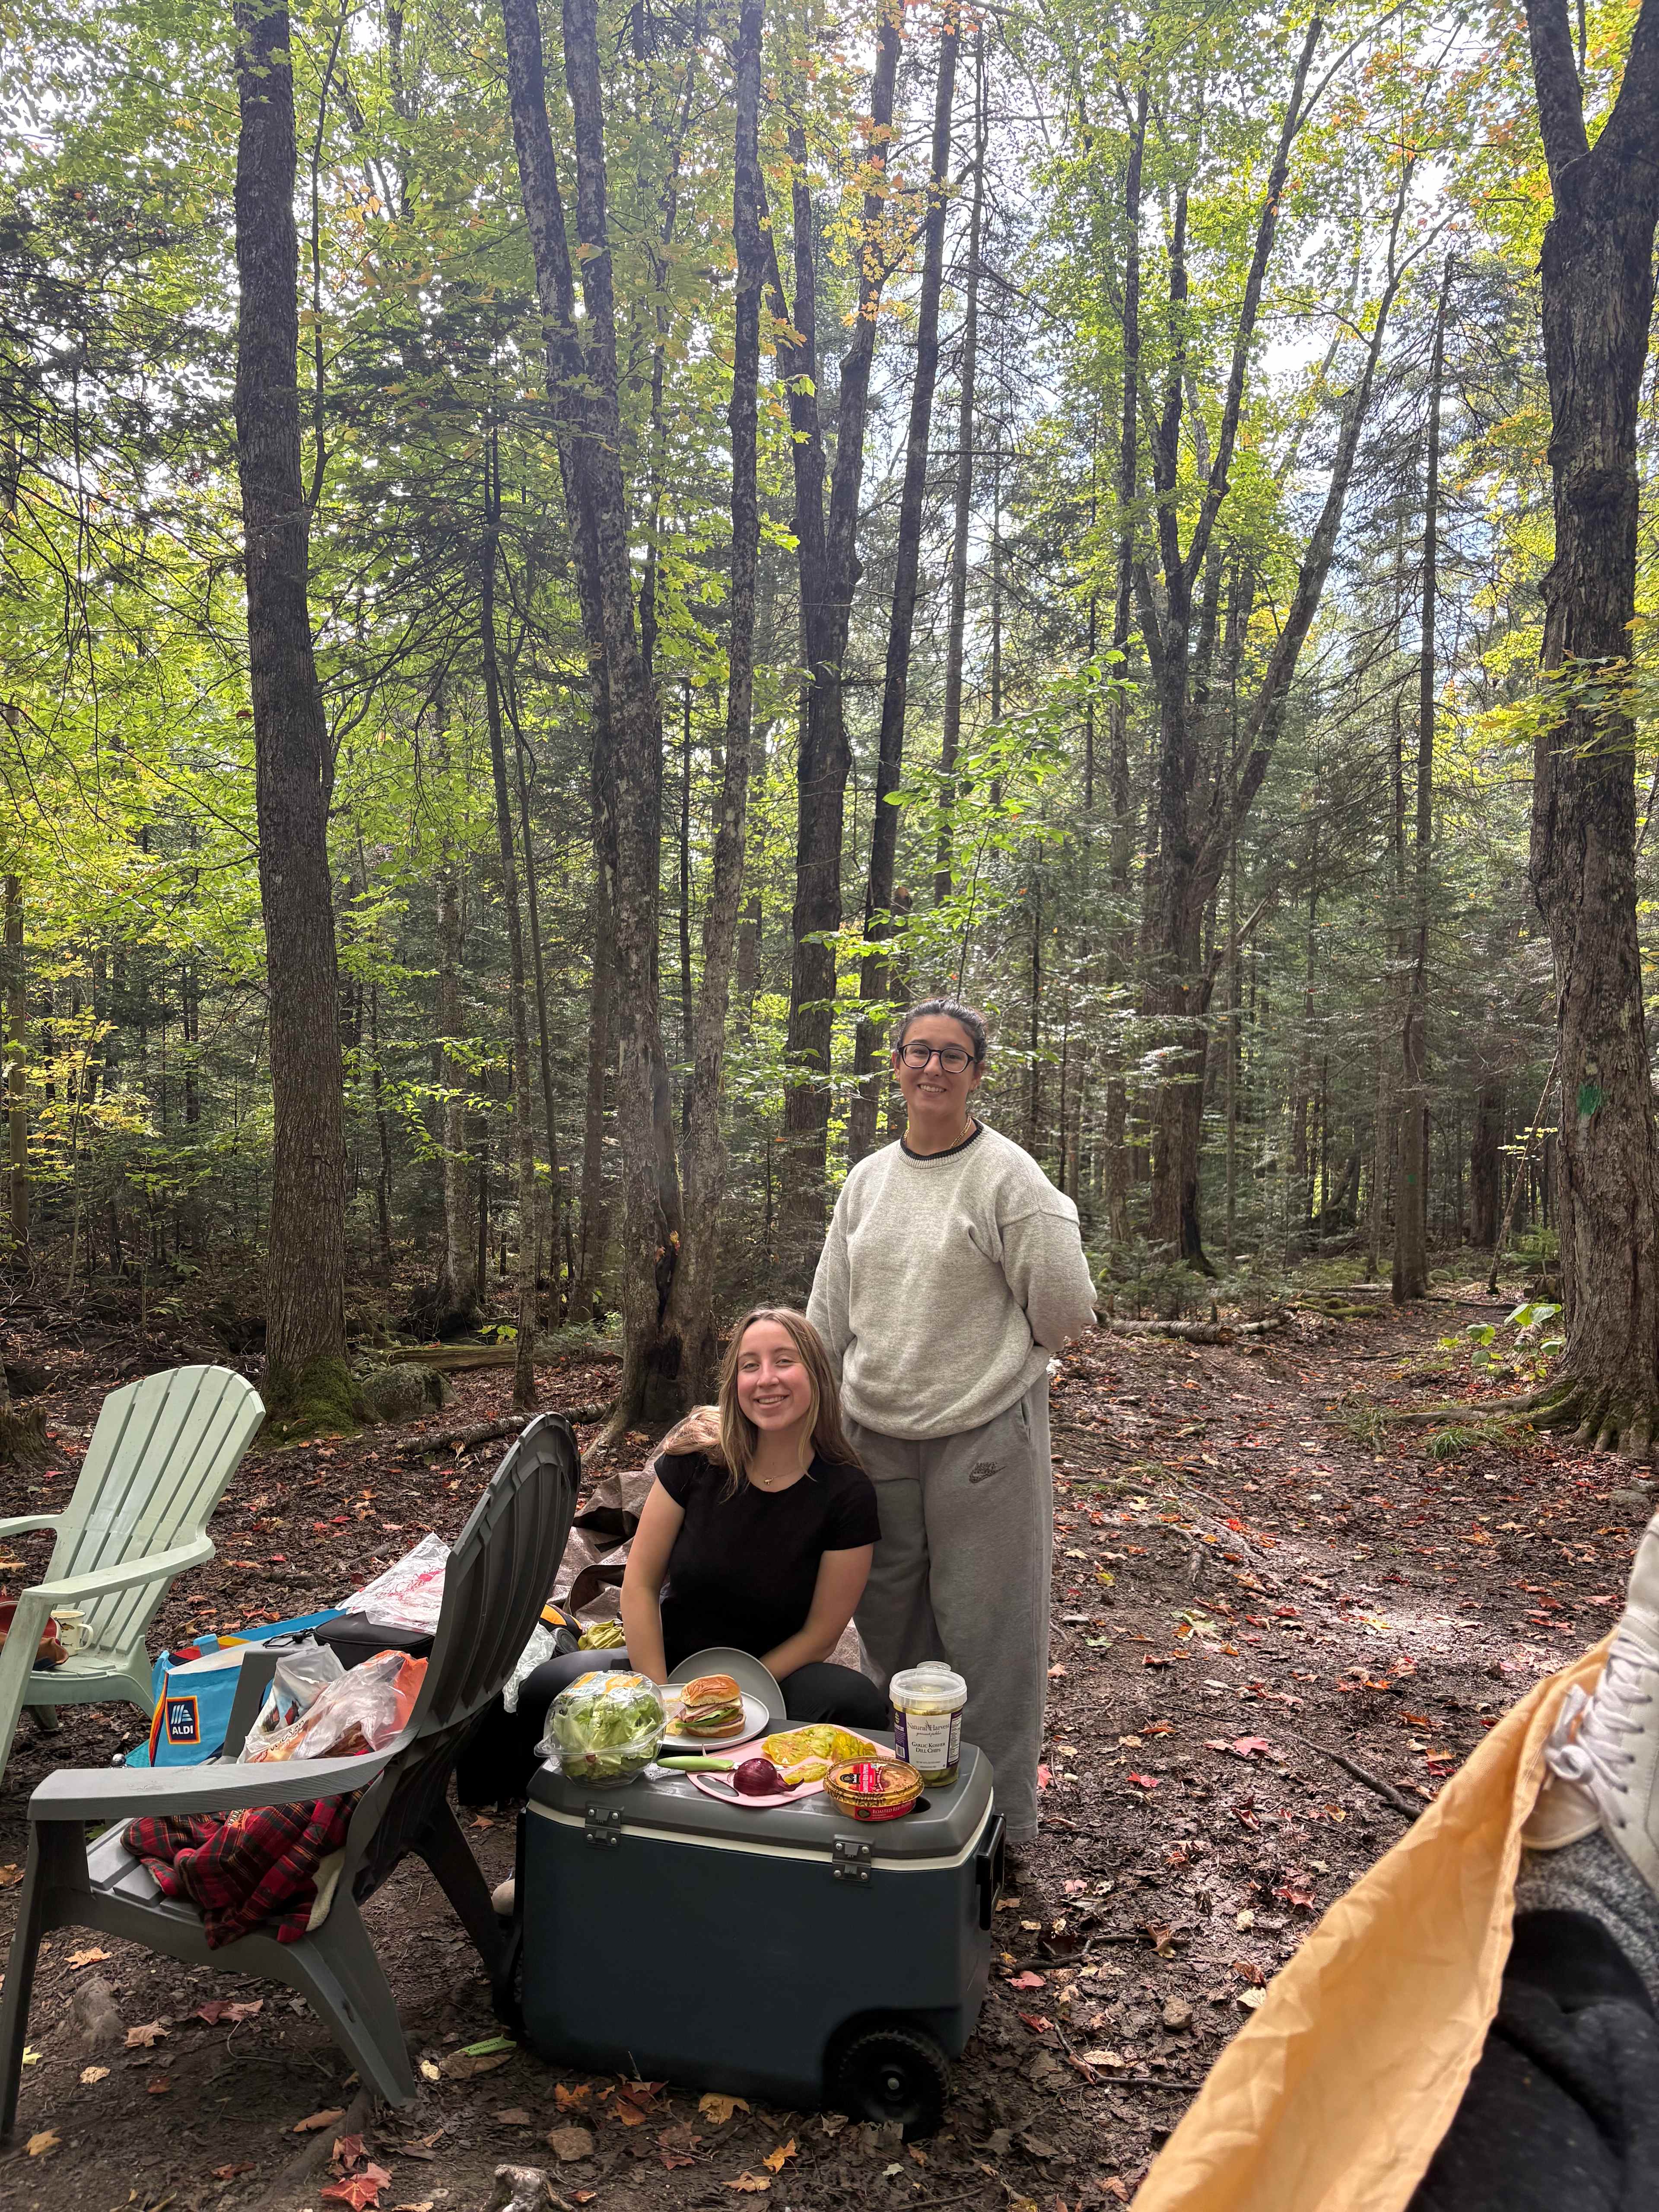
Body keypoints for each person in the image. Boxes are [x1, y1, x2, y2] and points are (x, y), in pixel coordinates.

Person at [807, 996, 1098, 1852]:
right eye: (918, 1051)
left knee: (987, 1630)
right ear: (895, 1064)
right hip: (874, 1436)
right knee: (891, 1626)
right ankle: (905, 1799)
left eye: (953, 1055)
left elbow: (1068, 1311)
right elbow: (829, 1311)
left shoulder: (1008, 1178)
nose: (932, 1067)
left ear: (977, 1071)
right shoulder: (867, 1179)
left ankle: (1001, 1828)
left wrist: (1007, 1365)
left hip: (982, 1437)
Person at [454, 1306, 887, 1812]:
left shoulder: (847, 1492)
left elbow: (822, 1633)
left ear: (815, 1371)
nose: (766, 1379)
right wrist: (658, 1697)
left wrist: (736, 1699)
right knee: (546, 1687)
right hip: (666, 1663)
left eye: (783, 1361)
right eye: (750, 1364)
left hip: (775, 1675)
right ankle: (552, 1831)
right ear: (735, 1381)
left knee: (856, 1701)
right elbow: (638, 1585)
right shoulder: (693, 1463)